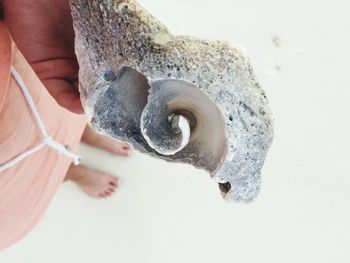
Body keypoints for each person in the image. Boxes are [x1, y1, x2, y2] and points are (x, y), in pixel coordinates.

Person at [0, 0, 130, 250]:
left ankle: (83, 131)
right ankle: (69, 169)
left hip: (22, 62)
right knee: (22, 165)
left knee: (62, 92)